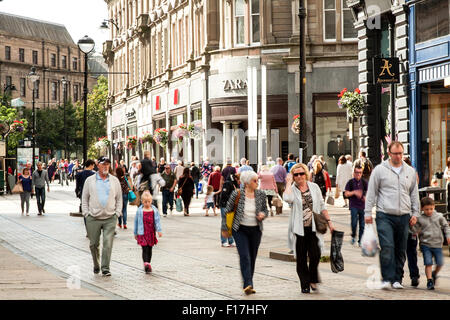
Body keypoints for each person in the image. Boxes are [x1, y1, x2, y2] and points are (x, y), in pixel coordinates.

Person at [365, 141, 420, 290]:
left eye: (401, 153)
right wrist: (367, 212)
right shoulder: (379, 170)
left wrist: (415, 213)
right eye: (395, 153)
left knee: (401, 249)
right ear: (389, 153)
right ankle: (387, 278)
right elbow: (371, 193)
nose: (398, 156)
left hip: (404, 216)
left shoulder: (409, 171)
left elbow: (414, 194)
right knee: (387, 246)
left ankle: (397, 278)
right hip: (384, 214)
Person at [284, 163, 335, 294]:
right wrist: (288, 183)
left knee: (315, 255)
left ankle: (313, 279)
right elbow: (288, 199)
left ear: (306, 174)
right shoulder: (292, 189)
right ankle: (304, 284)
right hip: (299, 229)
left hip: (313, 228)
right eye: (296, 174)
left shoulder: (314, 187)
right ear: (293, 176)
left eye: (301, 173)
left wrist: (329, 222)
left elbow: (322, 206)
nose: (299, 176)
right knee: (301, 258)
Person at [221, 171, 268, 295]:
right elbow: (228, 211)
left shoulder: (261, 194)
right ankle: (248, 284)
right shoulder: (237, 194)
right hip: (240, 229)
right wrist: (224, 228)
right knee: (245, 256)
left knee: (252, 257)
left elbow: (265, 210)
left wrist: (263, 214)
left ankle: (249, 281)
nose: (257, 183)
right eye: (254, 181)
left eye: (257, 180)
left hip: (256, 230)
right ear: (246, 183)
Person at [81, 156, 123, 276]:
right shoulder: (90, 180)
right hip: (93, 217)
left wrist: (117, 213)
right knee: (93, 244)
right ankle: (96, 264)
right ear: (97, 165)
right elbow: (84, 198)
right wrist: (86, 213)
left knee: (108, 243)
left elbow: (119, 198)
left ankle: (105, 268)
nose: (105, 166)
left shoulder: (114, 180)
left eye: (107, 164)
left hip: (110, 217)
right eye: (103, 164)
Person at [410, 197, 450, 290]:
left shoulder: (439, 216)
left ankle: (434, 274)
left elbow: (446, 226)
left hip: (437, 244)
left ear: (434, 207)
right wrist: (412, 227)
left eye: (431, 209)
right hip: (425, 245)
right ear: (422, 209)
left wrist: (448, 235)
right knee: (428, 262)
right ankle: (429, 280)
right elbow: (414, 230)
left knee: (440, 263)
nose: (429, 211)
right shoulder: (420, 218)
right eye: (426, 209)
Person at [134, 190, 162, 274]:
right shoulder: (140, 211)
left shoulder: (154, 210)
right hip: (142, 233)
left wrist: (159, 230)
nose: (147, 203)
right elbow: (136, 222)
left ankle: (148, 263)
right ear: (142, 201)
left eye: (149, 202)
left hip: (151, 233)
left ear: (151, 201)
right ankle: (146, 263)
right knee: (144, 248)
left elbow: (157, 221)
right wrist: (135, 233)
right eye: (145, 202)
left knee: (150, 249)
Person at [344, 164, 367, 246]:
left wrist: (365, 197)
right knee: (354, 223)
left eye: (360, 173)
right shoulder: (350, 182)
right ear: (353, 173)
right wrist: (354, 192)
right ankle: (353, 235)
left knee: (362, 224)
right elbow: (346, 194)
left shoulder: (364, 182)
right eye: (357, 172)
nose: (358, 174)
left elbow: (369, 193)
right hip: (354, 205)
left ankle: (361, 240)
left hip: (362, 206)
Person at [76, 159, 96, 236]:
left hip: (83, 194)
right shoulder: (94, 174)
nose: (93, 167)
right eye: (93, 165)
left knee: (85, 211)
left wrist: (77, 192)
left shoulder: (79, 174)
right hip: (92, 194)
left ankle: (88, 230)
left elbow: (77, 185)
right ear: (91, 165)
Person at [219, 173, 239, 247]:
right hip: (225, 205)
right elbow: (224, 194)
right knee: (225, 223)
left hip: (229, 206)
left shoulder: (233, 184)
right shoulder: (228, 183)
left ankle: (231, 240)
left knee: (230, 223)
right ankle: (224, 241)